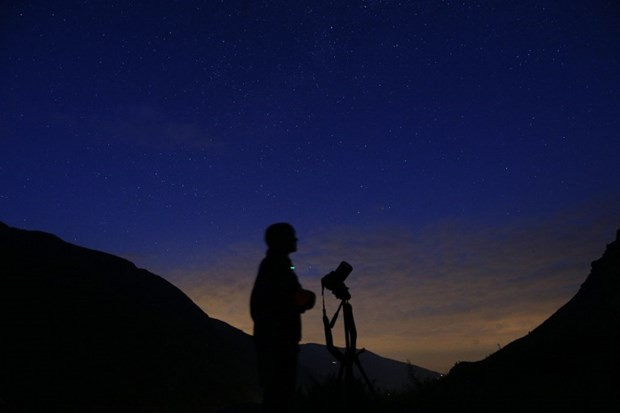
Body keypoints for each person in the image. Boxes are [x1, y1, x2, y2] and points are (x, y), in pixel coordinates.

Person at [250, 223, 316, 413]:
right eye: (291, 236)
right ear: (282, 240)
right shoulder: (276, 266)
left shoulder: (276, 265)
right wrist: (307, 298)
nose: (296, 240)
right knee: (279, 395)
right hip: (278, 343)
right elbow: (286, 300)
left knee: (277, 393)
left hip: (275, 342)